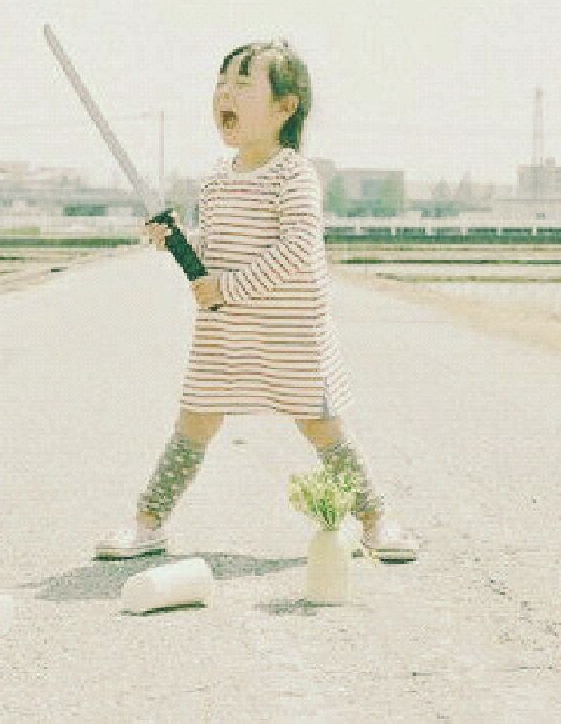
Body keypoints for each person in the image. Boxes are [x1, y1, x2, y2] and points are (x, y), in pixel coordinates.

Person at [93, 40, 419, 562]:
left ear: (285, 107)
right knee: (194, 422)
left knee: (322, 426)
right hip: (226, 333)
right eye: (221, 84)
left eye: (243, 84)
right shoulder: (215, 180)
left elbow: (298, 248)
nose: (226, 93)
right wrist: (178, 242)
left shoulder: (294, 174)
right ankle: (147, 522)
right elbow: (216, 251)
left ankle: (376, 521)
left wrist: (226, 288)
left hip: (290, 334)